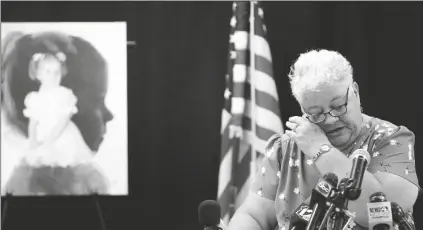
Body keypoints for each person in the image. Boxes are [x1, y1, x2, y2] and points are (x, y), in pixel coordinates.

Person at [227, 49, 420, 230]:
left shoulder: (390, 139)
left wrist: (320, 149)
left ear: (356, 92)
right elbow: (254, 215)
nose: (330, 119)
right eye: (315, 113)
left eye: (338, 106)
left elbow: (380, 213)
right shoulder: (284, 148)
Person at [1, 32, 113, 195]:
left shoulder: (64, 95)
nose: (53, 76)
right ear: (38, 74)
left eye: (57, 72)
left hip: (62, 135)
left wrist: (50, 140)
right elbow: (34, 121)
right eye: (47, 72)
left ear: (62, 72)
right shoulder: (35, 98)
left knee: (65, 161)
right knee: (37, 161)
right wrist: (33, 142)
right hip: (42, 136)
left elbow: (63, 120)